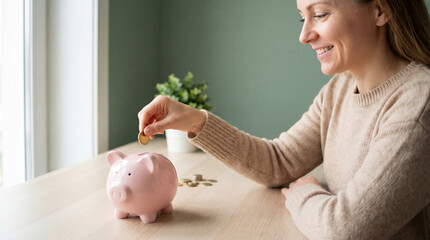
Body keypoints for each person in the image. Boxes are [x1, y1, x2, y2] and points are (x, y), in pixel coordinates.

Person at [138, 0, 430, 239]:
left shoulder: (419, 102)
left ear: (381, 10)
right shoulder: (339, 90)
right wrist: (195, 121)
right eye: (302, 18)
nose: (304, 36)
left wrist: (305, 194)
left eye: (319, 14)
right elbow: (280, 162)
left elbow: (347, 229)